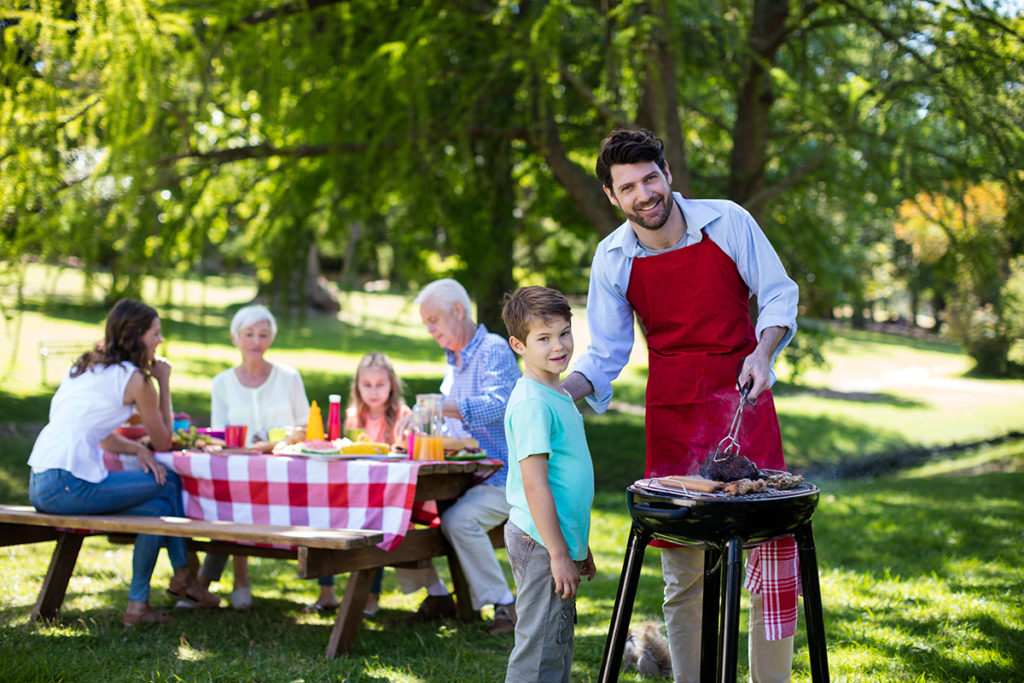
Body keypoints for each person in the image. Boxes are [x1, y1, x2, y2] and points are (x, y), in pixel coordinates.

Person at [562, 129, 800, 683]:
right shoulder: (613, 258)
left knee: (773, 561)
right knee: (684, 571)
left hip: (745, 396)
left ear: (667, 174)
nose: (644, 193)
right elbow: (605, 354)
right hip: (672, 411)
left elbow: (779, 293)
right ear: (612, 196)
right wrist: (556, 393)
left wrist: (764, 352)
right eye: (629, 187)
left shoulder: (728, 221)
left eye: (651, 178)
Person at [27, 298, 219, 627]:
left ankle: (138, 608)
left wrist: (135, 450)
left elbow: (96, 433)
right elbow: (163, 442)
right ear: (136, 335)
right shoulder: (137, 380)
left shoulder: (85, 367)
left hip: (42, 481)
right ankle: (186, 574)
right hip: (68, 483)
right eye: (156, 334)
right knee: (169, 482)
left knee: (154, 510)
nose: (160, 341)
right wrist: (164, 382)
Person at [397, 278, 521, 635]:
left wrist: (443, 407)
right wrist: (418, 429)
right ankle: (438, 594)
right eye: (426, 323)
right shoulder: (454, 358)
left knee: (459, 521)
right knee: (400, 510)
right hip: (466, 477)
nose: (430, 329)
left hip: (504, 478)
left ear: (458, 310)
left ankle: (505, 605)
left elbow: (499, 405)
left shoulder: (493, 350)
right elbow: (451, 429)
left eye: (433, 320)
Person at [500, 286, 596, 682]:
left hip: (554, 539)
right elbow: (535, 485)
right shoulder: (533, 404)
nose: (558, 346)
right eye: (543, 338)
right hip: (540, 543)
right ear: (518, 345)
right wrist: (558, 554)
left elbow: (564, 480)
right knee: (537, 652)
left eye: (564, 333)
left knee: (555, 642)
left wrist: (576, 545)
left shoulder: (556, 392)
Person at [191, 304, 310, 611]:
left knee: (239, 502)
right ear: (235, 338)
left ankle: (201, 583)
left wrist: (279, 440)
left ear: (271, 337)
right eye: (249, 334)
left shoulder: (289, 377)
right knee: (230, 499)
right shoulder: (222, 382)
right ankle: (238, 579)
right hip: (238, 468)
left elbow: (306, 428)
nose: (256, 341)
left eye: (263, 334)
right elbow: (219, 434)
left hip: (284, 470)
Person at [303, 351, 413, 615]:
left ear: (392, 386)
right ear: (357, 387)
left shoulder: (402, 415)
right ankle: (326, 592)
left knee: (374, 527)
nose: (373, 391)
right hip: (355, 493)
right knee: (323, 517)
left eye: (380, 385)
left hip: (386, 498)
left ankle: (371, 596)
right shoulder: (354, 417)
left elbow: (406, 450)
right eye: (367, 385)